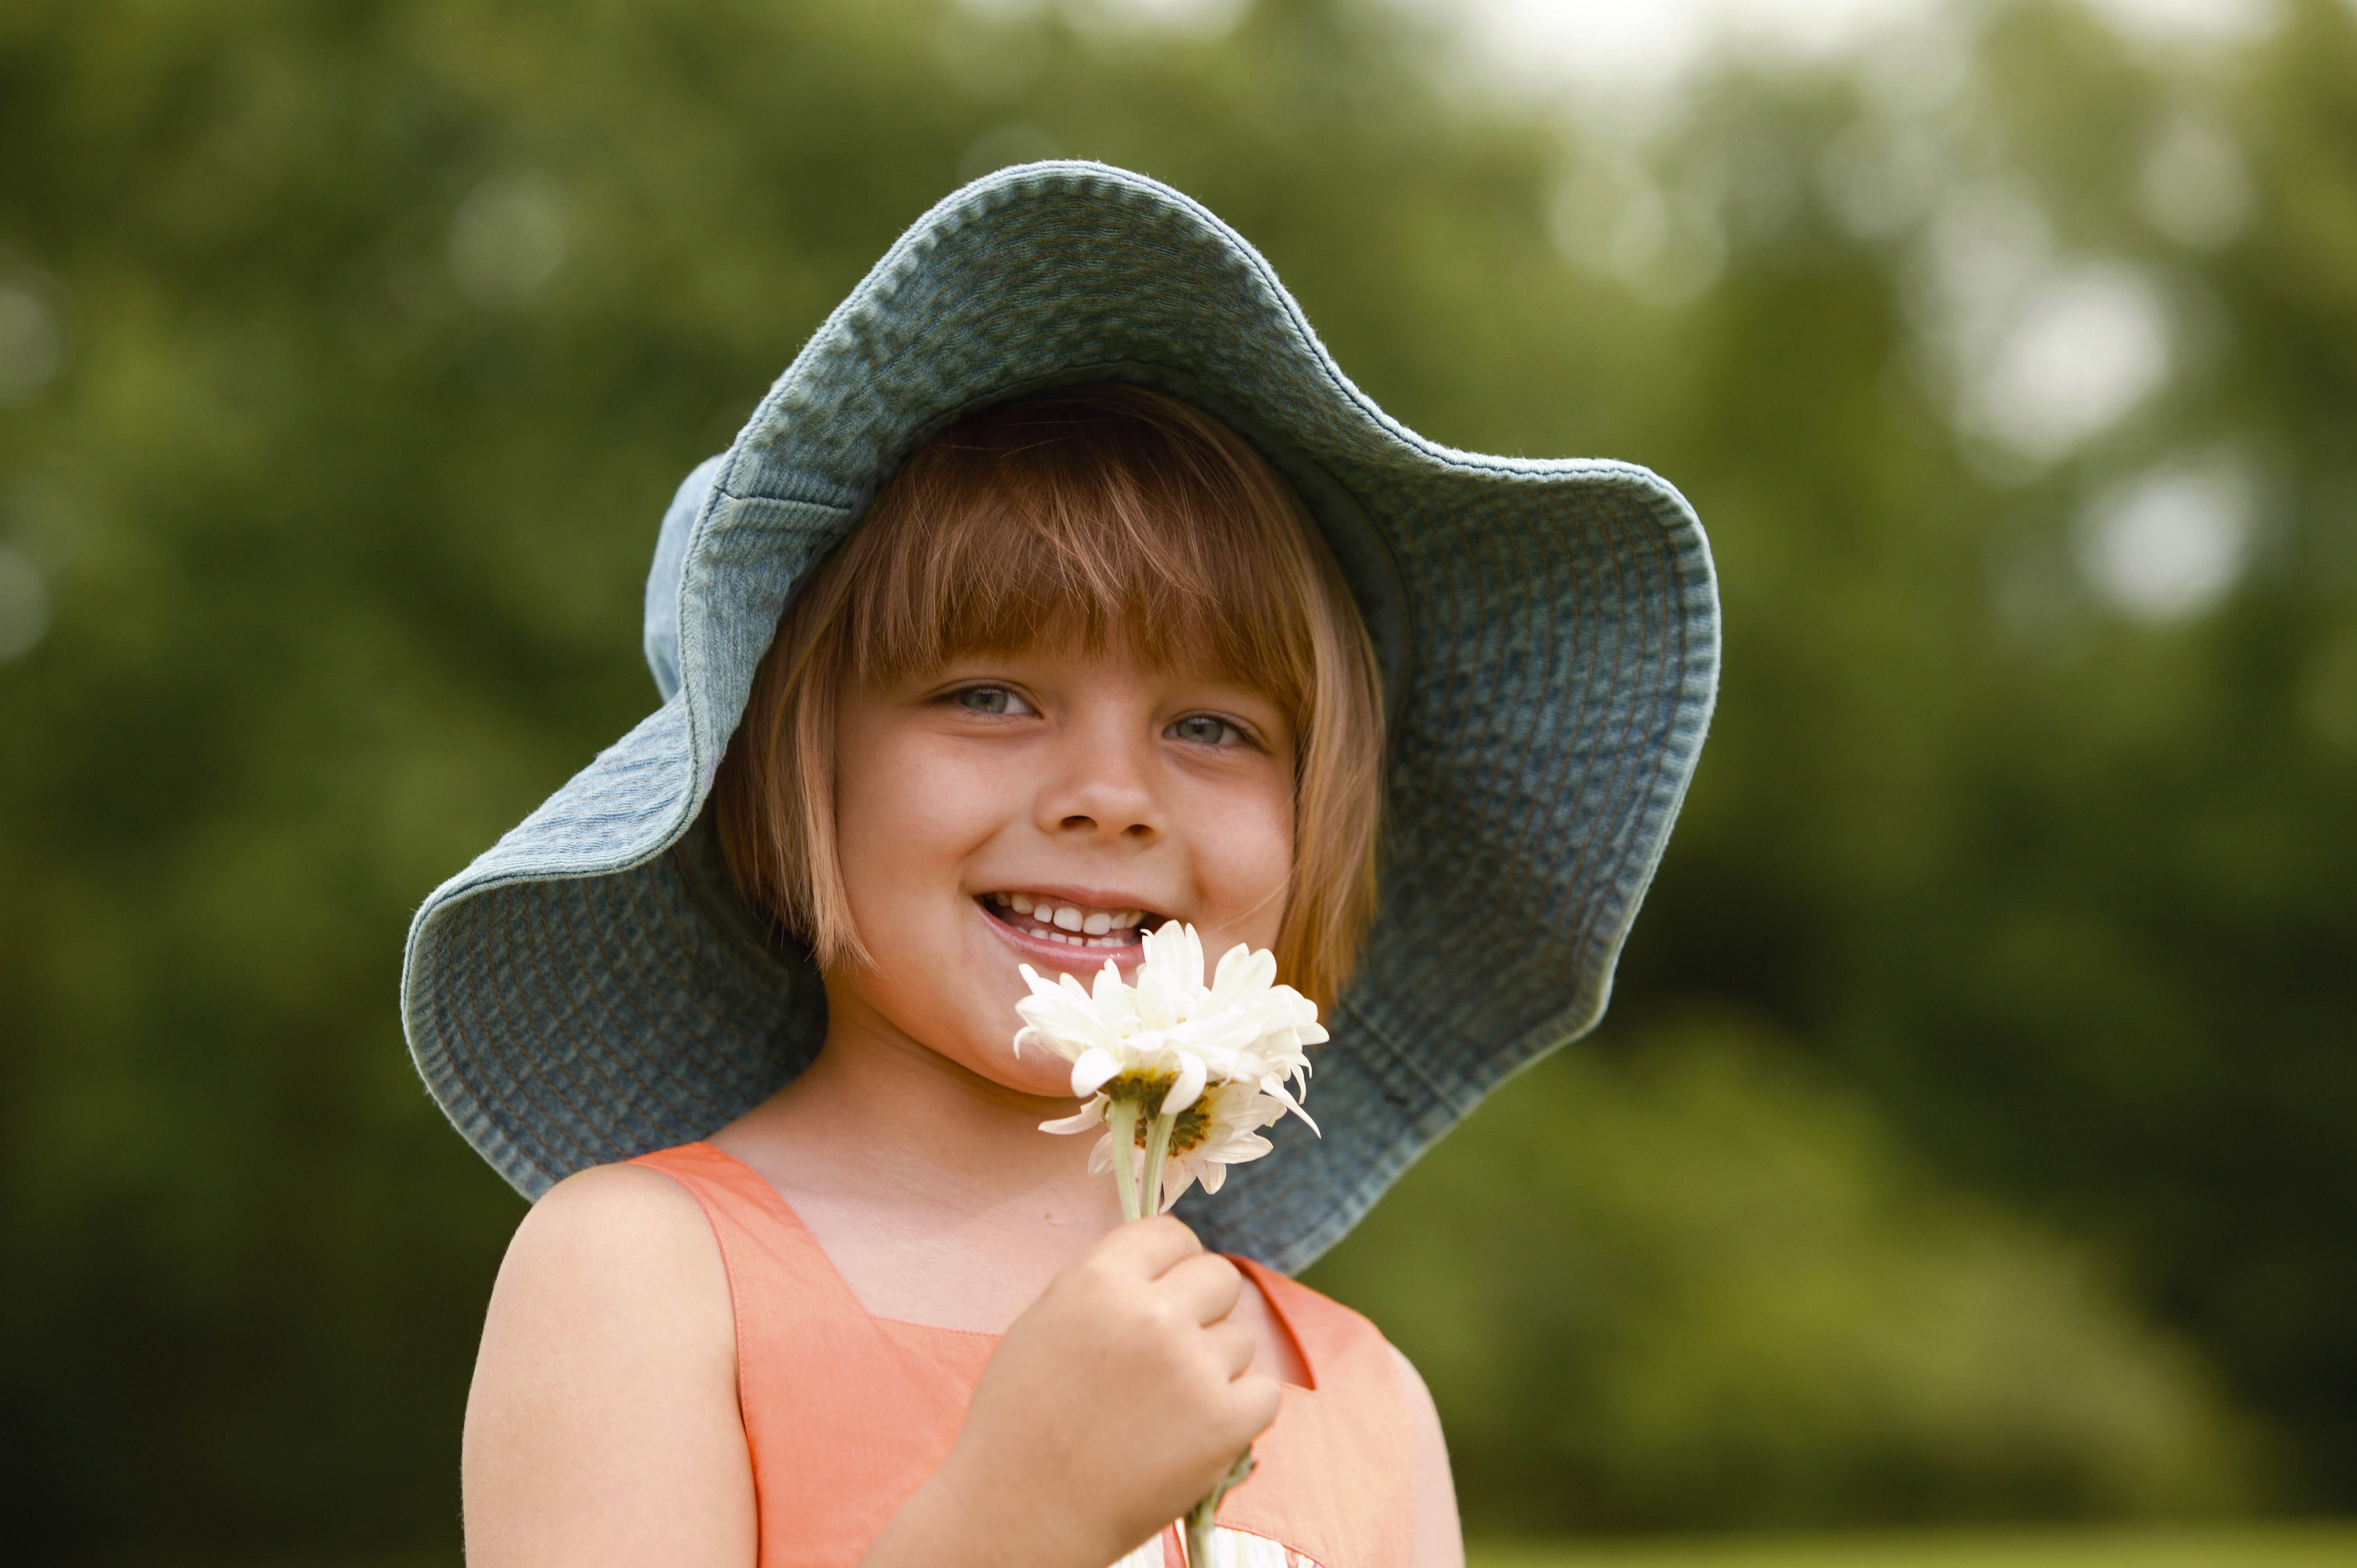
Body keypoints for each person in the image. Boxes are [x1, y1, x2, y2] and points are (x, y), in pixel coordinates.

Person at [400, 162, 1719, 1568]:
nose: (1107, 797)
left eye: (1211, 727)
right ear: (788, 770)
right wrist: (1013, 1520)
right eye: (988, 696)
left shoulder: (1360, 1398)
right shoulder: (646, 1277)